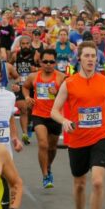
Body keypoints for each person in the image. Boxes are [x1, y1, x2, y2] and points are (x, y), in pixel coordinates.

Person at [50, 42, 105, 209]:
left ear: (97, 59)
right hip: (78, 139)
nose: (90, 59)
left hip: (100, 136)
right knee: (79, 184)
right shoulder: (69, 83)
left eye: (93, 56)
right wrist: (64, 121)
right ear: (79, 58)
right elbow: (54, 110)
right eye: (86, 56)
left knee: (97, 181)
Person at [23, 47, 64, 188]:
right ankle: (45, 175)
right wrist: (27, 97)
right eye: (45, 61)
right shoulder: (34, 76)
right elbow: (25, 87)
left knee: (52, 147)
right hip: (38, 114)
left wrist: (58, 92)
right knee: (43, 144)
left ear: (55, 62)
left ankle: (48, 166)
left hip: (55, 116)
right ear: (40, 62)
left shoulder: (61, 77)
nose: (48, 64)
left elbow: (69, 96)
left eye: (51, 62)